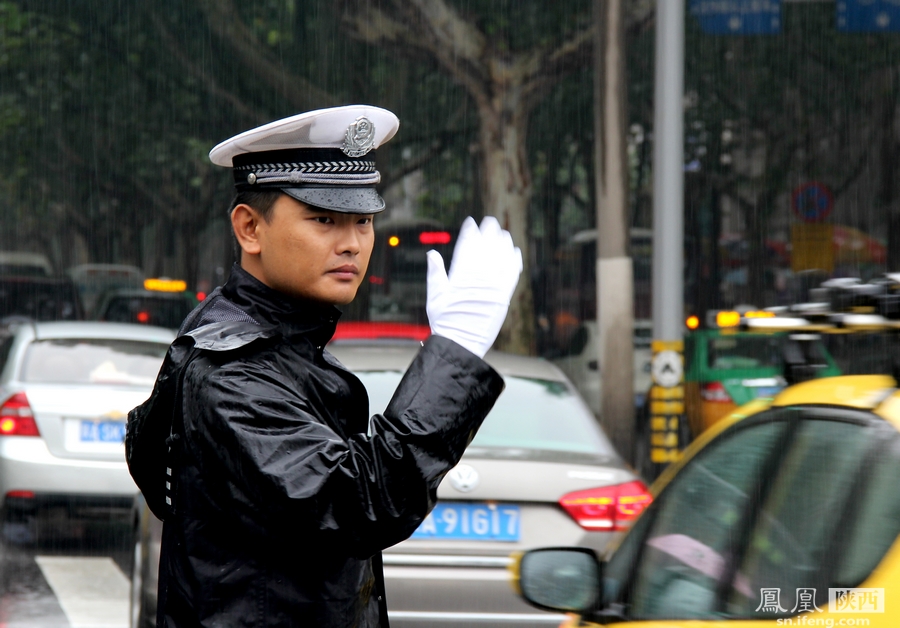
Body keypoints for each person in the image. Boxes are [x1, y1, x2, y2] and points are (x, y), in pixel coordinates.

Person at [126, 105, 522, 628]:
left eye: (363, 220)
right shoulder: (231, 375)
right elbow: (362, 503)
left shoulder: (274, 344)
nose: (352, 243)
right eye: (324, 219)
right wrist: (456, 351)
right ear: (250, 228)